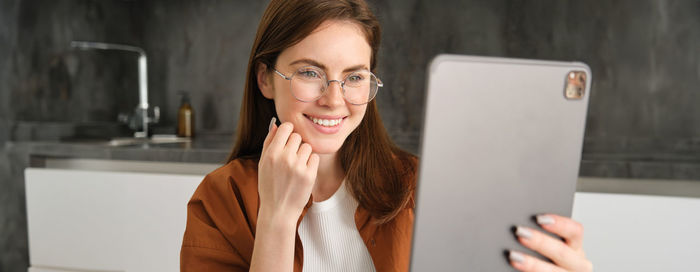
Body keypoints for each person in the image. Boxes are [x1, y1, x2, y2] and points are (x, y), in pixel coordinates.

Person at [180, 0, 593, 271]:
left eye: (354, 77)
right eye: (310, 72)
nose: (334, 99)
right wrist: (276, 220)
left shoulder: (420, 189)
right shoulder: (220, 201)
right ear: (265, 79)